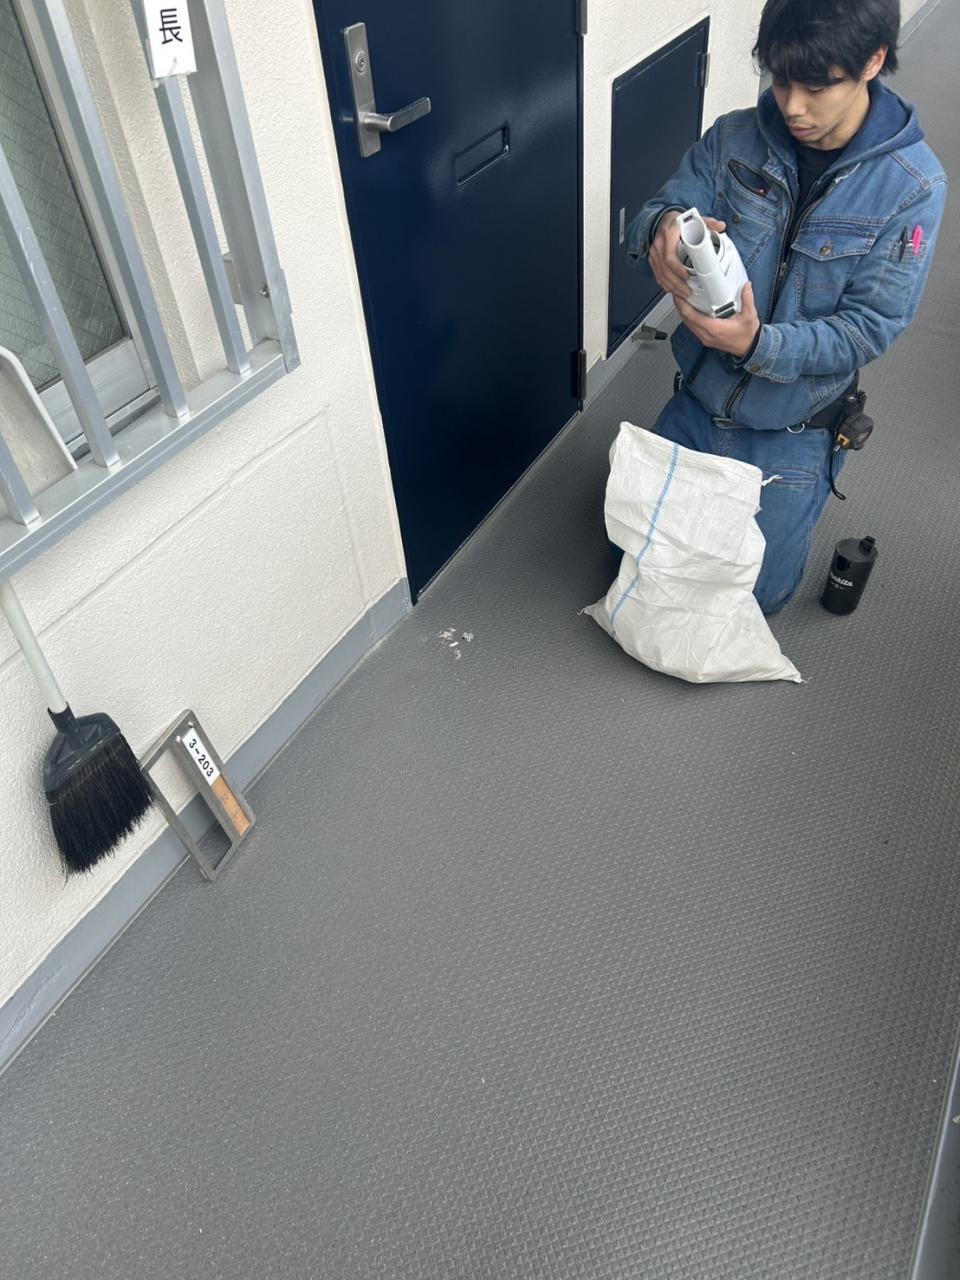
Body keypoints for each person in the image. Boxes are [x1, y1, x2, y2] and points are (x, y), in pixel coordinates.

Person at [626, 0, 947, 614]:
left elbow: (868, 330)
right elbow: (656, 212)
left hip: (794, 425)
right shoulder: (733, 137)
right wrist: (661, 228)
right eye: (780, 80)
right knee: (636, 564)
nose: (793, 106)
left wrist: (758, 345)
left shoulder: (913, 187)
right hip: (699, 398)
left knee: (754, 600)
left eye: (817, 86)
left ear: (873, 61)